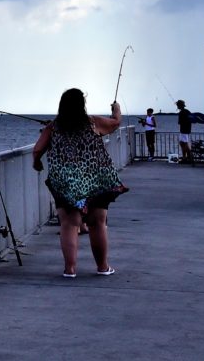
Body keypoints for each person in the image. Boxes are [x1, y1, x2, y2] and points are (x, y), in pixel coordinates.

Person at [32, 89, 129, 278]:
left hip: (66, 182)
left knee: (69, 223)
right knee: (97, 222)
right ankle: (102, 267)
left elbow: (37, 151)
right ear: (81, 104)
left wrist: (37, 164)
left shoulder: (53, 127)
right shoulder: (93, 122)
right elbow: (116, 123)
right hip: (95, 179)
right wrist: (117, 109)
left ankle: (70, 269)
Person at [176, 100, 193, 165]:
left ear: (179, 106)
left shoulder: (181, 113)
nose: (177, 106)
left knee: (184, 144)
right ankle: (185, 157)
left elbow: (179, 122)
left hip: (183, 130)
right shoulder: (187, 111)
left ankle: (188, 157)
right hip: (187, 130)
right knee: (182, 143)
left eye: (178, 105)